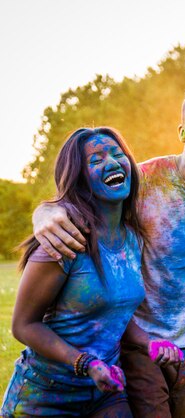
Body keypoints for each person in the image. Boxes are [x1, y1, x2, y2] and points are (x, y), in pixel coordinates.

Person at [32, 84, 185, 417]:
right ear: (182, 131)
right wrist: (46, 211)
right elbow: (86, 191)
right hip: (140, 340)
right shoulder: (144, 179)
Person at [1, 127, 172, 416]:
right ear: (79, 178)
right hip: (44, 394)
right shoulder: (64, 241)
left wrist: (149, 341)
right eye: (96, 160)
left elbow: (114, 312)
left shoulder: (132, 239)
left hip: (103, 391)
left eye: (119, 155)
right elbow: (23, 325)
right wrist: (85, 363)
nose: (112, 162)